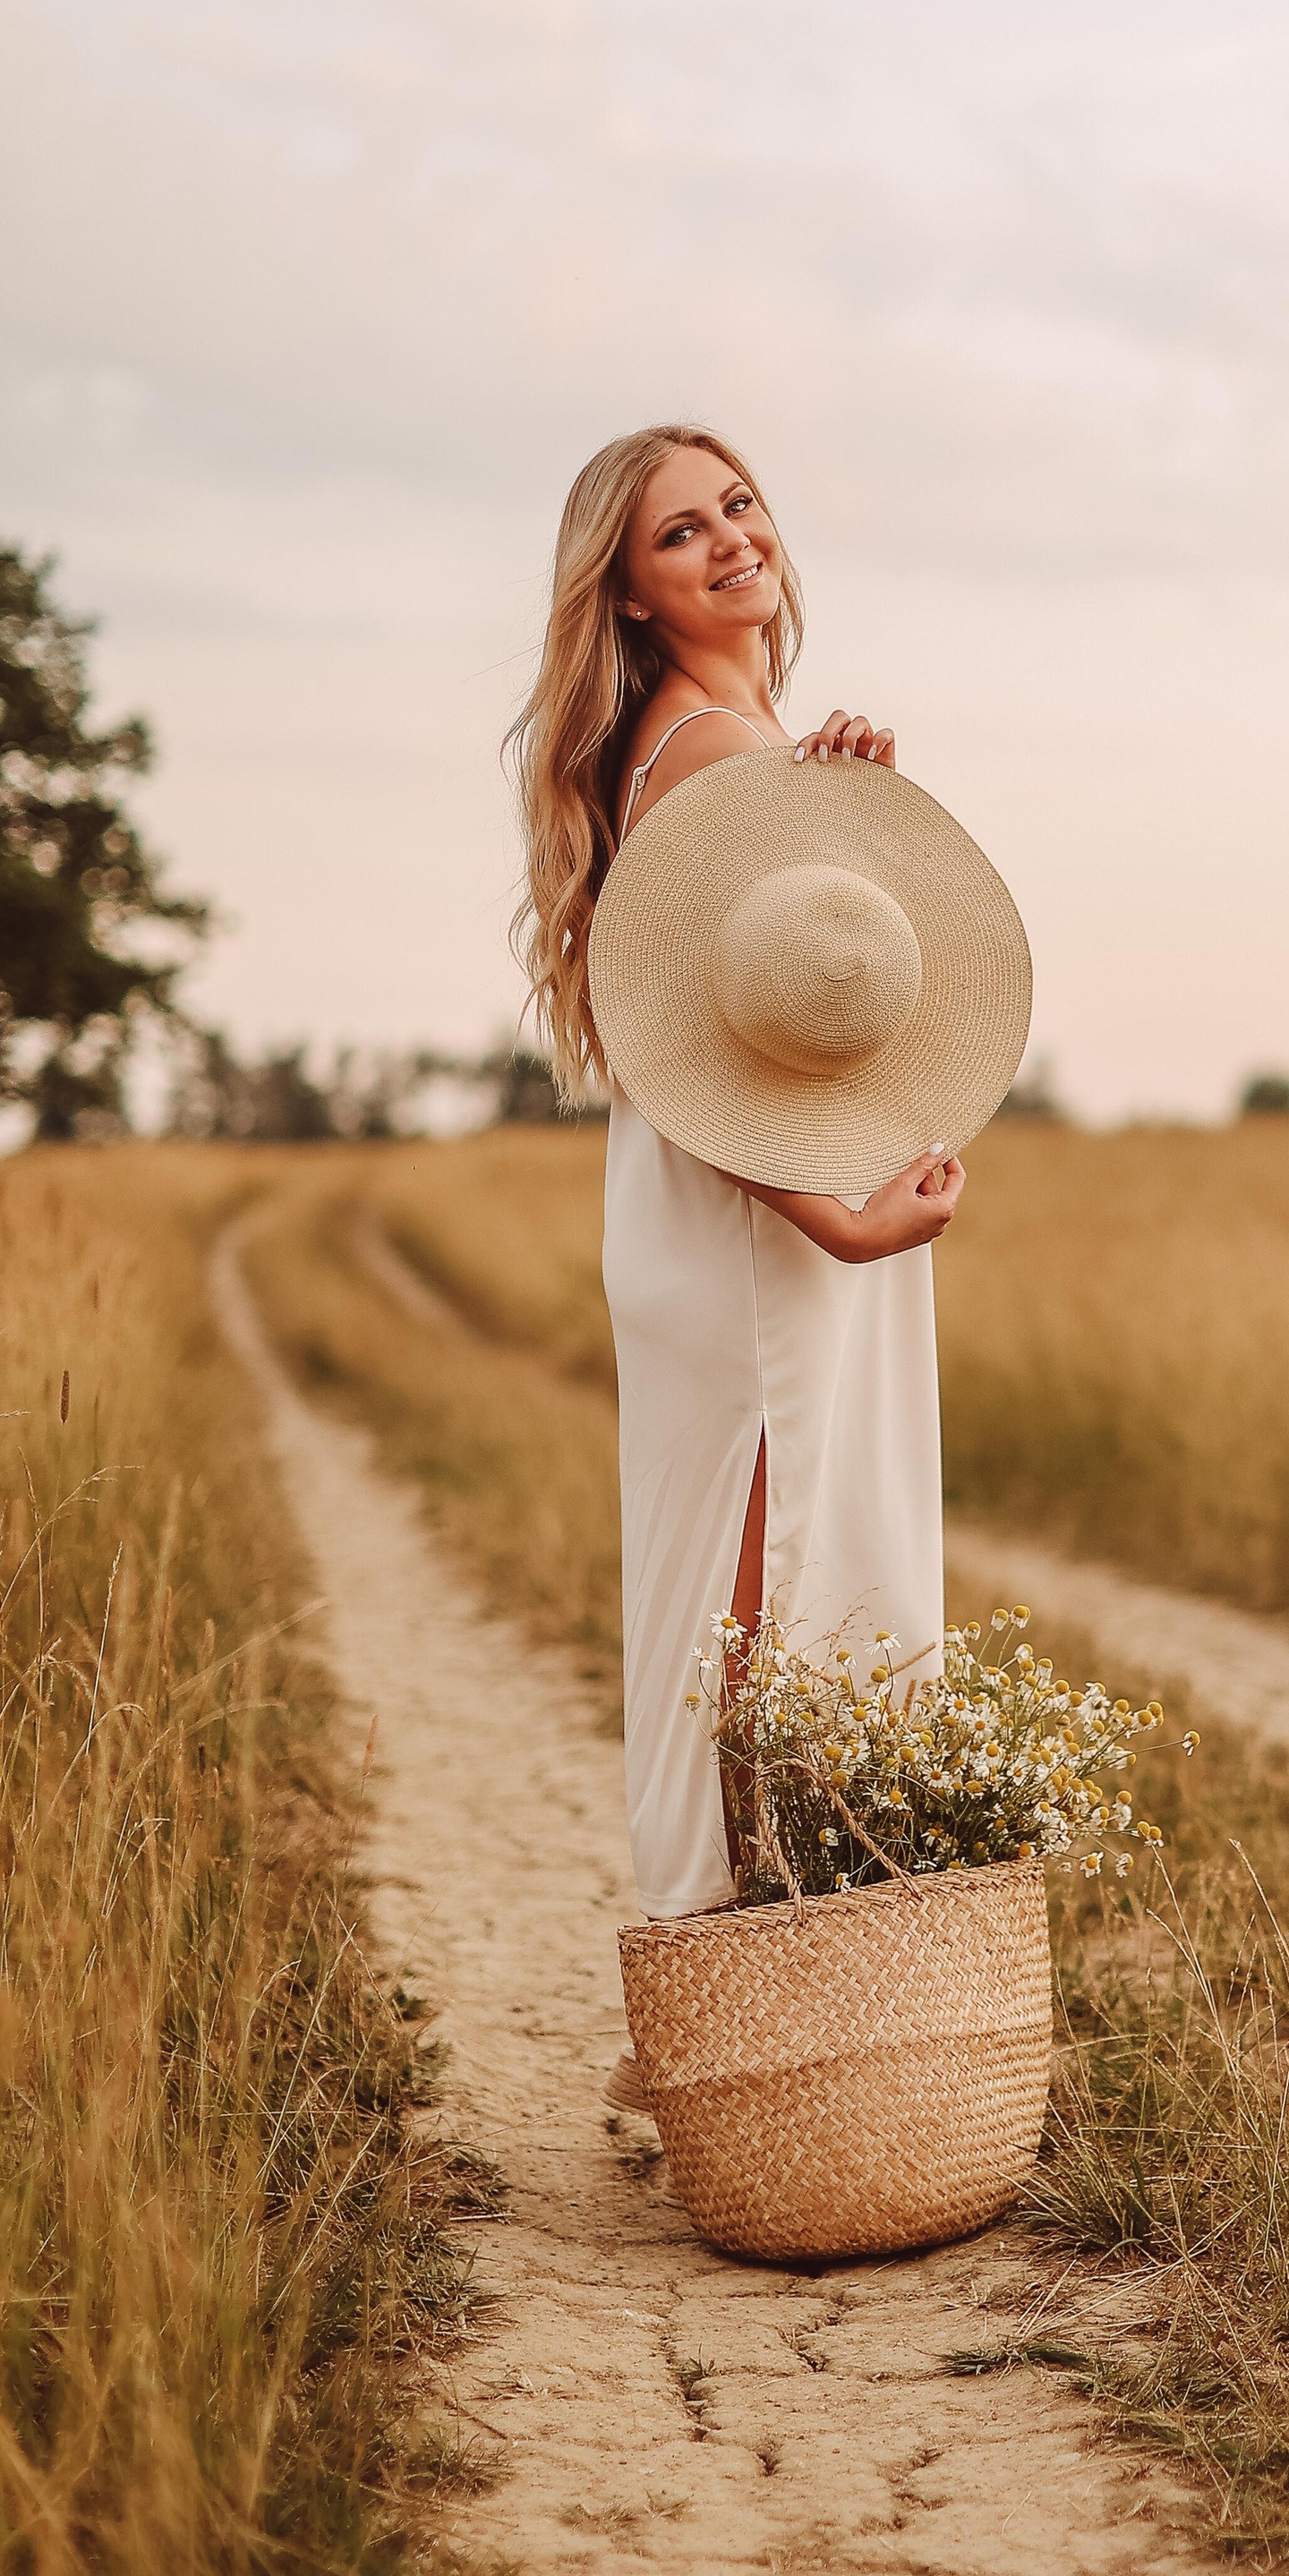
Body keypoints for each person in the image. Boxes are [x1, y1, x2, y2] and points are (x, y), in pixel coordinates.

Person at [508, 423, 964, 1939]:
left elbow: (775, 988)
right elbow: (699, 1052)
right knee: (778, 1574)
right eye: (679, 535)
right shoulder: (709, 747)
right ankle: (748, 1943)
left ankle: (743, 1942)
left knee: (751, 1563)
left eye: (739, 506)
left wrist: (833, 821)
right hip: (761, 1216)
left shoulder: (718, 742)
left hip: (729, 1211)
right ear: (629, 595)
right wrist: (839, 1223)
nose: (730, 541)